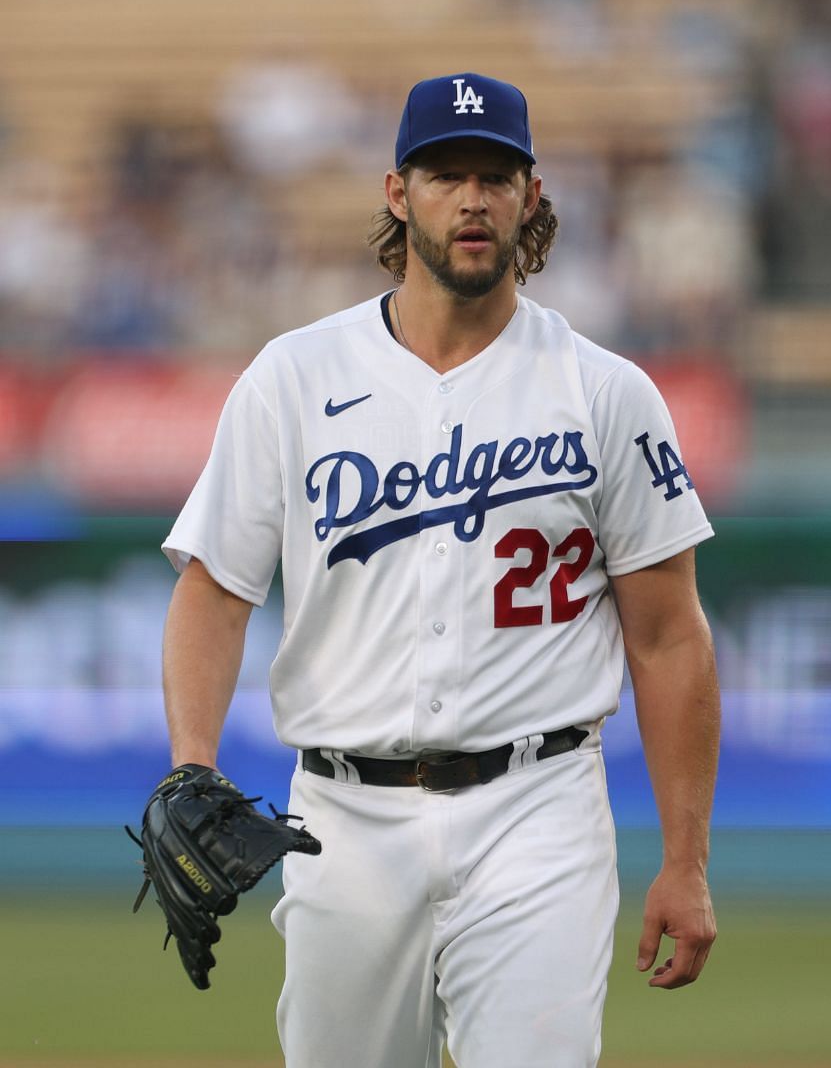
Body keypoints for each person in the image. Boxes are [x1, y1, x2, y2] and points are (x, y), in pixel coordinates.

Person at [158, 72, 720, 1066]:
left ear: (531, 196)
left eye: (496, 176)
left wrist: (687, 861)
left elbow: (670, 634)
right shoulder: (294, 377)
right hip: (343, 817)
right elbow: (214, 589)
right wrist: (191, 763)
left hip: (537, 809)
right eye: (447, 174)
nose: (473, 199)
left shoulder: (606, 393)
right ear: (396, 192)